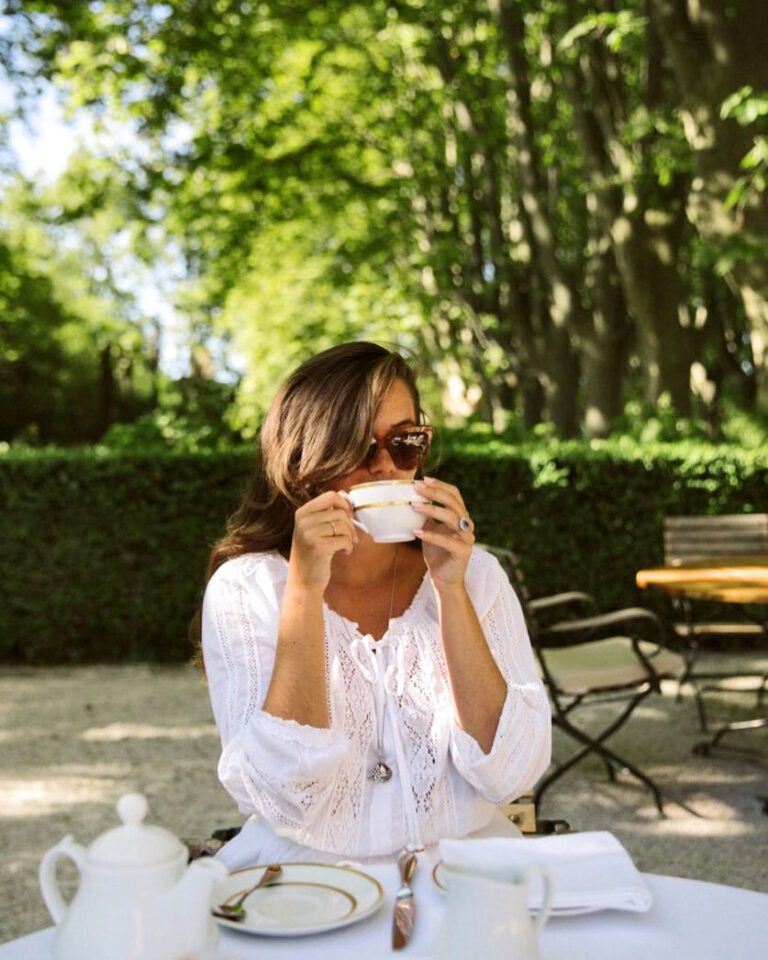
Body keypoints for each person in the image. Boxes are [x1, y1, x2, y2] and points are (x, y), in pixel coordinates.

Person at [199, 341, 551, 868]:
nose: (387, 467)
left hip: (466, 873)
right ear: (305, 458)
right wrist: (303, 592)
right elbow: (283, 797)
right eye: (361, 448)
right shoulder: (247, 589)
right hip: (305, 880)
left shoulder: (476, 577)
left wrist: (451, 591)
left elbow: (512, 774)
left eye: (405, 442)